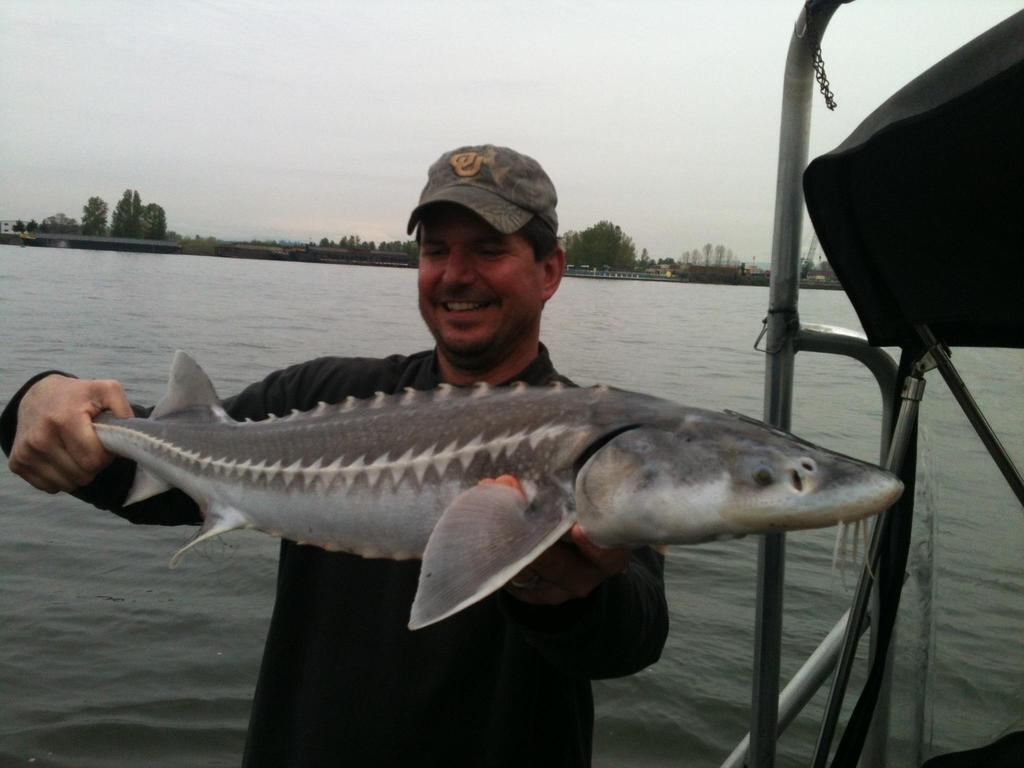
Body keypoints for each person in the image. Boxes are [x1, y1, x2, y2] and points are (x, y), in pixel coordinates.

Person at [2, 144, 669, 767]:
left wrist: (560, 596)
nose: (455, 274)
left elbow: (632, 636)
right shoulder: (324, 395)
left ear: (550, 271)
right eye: (436, 250)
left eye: (488, 249)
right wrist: (39, 399)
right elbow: (159, 472)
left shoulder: (604, 439)